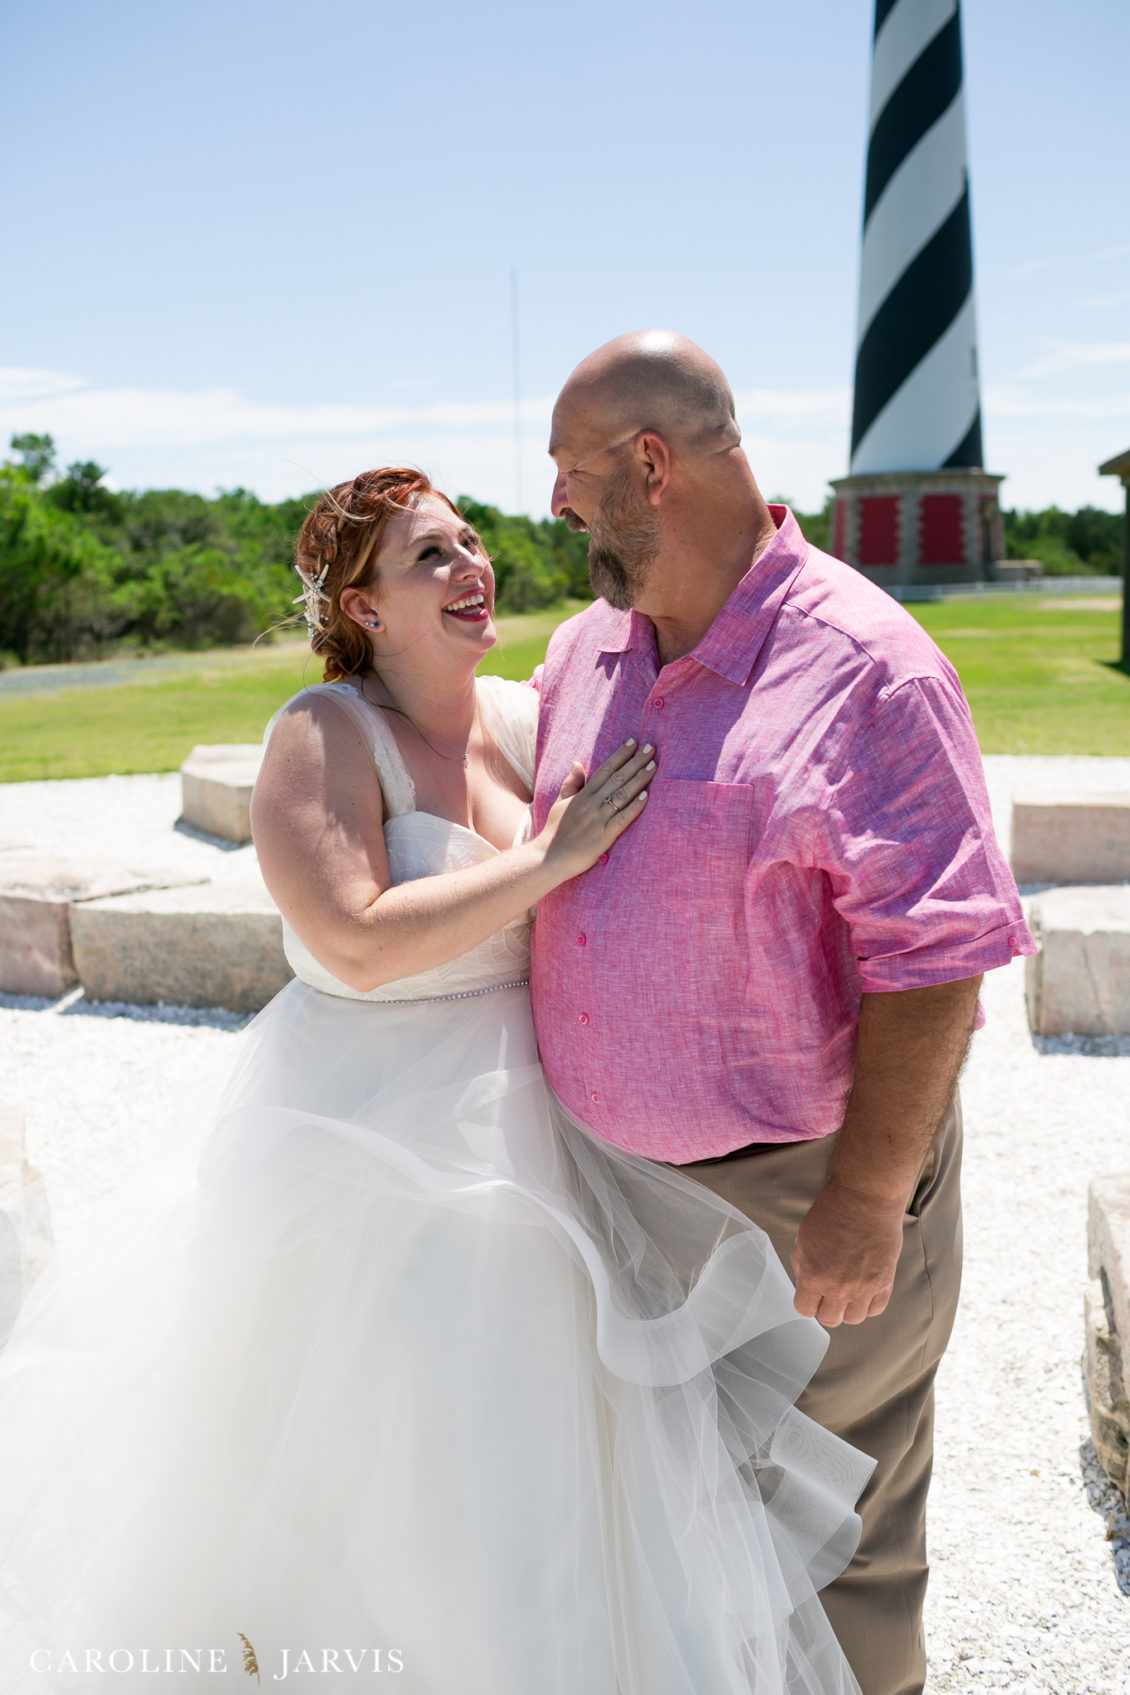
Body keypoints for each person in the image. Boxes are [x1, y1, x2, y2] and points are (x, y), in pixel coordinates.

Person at [0, 466, 873, 1694]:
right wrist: (550, 858)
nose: (472, 567)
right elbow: (353, 940)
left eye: (469, 542)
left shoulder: (524, 717)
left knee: (542, 1457)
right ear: (362, 608)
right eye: (430, 556)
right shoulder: (321, 734)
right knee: (394, 1456)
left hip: (543, 1133)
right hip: (371, 1139)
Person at [531, 332, 1037, 1695]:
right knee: (677, 1521)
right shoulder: (584, 651)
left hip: (802, 1194)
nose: (556, 503)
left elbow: (936, 955)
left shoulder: (868, 669)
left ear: (650, 464)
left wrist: (866, 1199)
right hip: (616, 1198)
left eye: (570, 470)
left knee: (834, 1531)